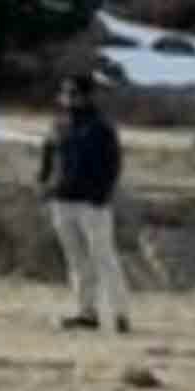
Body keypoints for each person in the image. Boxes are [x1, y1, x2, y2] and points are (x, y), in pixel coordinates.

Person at [39, 72, 129, 334]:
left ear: (87, 96)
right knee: (76, 260)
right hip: (61, 200)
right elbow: (47, 156)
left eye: (73, 93)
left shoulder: (101, 127)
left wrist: (101, 194)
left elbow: (113, 164)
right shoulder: (58, 125)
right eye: (65, 92)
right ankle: (86, 312)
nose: (67, 98)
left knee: (103, 257)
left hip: (92, 204)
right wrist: (44, 183)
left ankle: (120, 313)